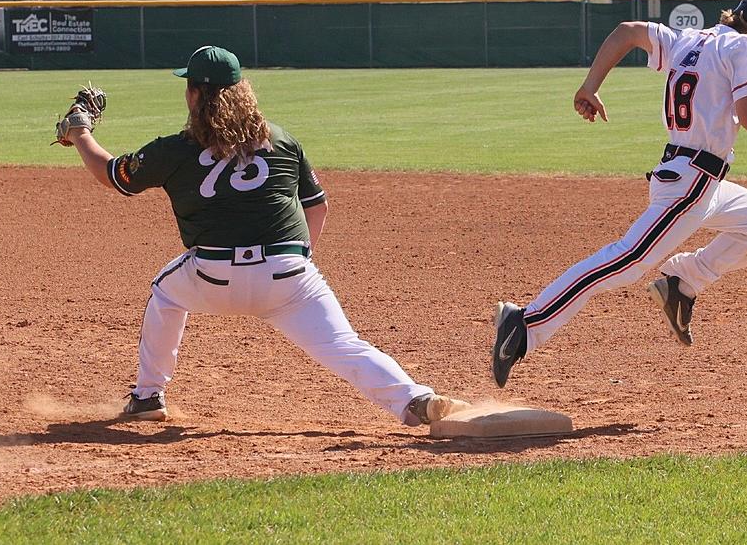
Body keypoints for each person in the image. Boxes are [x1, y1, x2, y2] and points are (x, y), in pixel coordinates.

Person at [59, 44, 468, 425]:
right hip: (289, 274)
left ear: (196, 95)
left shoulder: (175, 149)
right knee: (344, 344)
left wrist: (80, 129)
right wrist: (294, 264)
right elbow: (318, 207)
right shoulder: (282, 140)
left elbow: (111, 174)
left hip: (212, 276)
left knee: (165, 293)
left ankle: (148, 396)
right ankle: (414, 399)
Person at [492, 0, 747, 388]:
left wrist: (591, 85)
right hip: (690, 185)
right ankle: (526, 322)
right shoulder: (744, 46)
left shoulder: (690, 39)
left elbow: (626, 32)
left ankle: (683, 283)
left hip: (696, 181)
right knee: (626, 261)